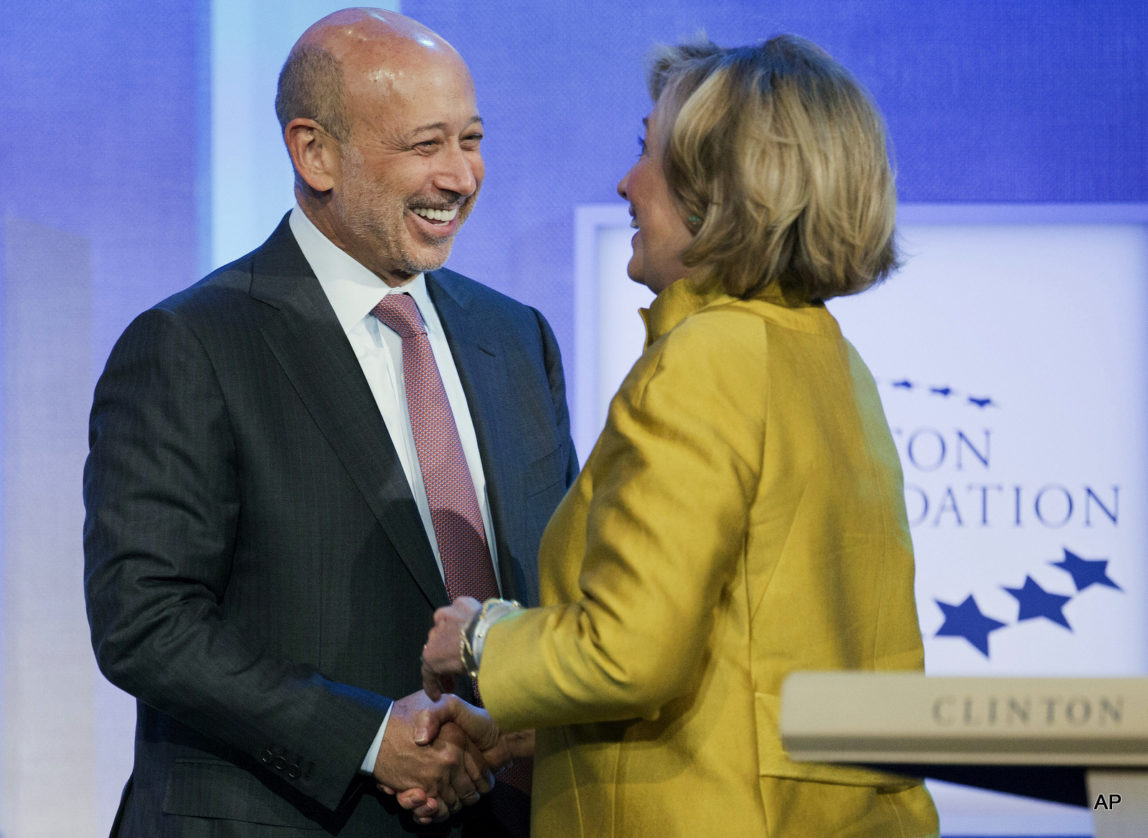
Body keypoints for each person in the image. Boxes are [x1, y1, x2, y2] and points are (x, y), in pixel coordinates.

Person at [417, 34, 941, 836]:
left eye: (648, 152)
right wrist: (539, 729)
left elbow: (632, 651)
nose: (627, 183)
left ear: (719, 193)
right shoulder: (826, 357)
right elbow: (746, 652)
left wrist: (483, 638)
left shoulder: (708, 359)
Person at [82, 8, 576, 837]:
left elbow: (563, 589)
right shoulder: (191, 343)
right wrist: (371, 738)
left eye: (472, 139)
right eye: (426, 146)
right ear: (315, 152)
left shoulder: (514, 337)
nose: (460, 176)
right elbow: (145, 620)